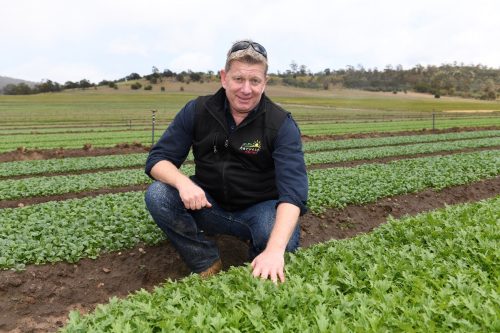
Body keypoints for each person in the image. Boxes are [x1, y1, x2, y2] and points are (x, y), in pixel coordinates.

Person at [144, 39, 308, 283]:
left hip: (260, 210)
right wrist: (183, 183)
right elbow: (158, 159)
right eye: (238, 79)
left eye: (255, 81)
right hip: (209, 206)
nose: (246, 89)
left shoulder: (280, 124)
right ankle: (205, 260)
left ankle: (256, 268)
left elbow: (293, 195)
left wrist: (274, 251)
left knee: (273, 236)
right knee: (159, 195)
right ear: (224, 77)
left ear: (265, 83)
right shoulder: (198, 111)